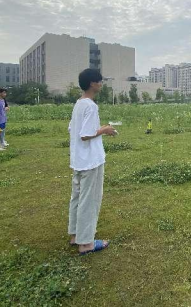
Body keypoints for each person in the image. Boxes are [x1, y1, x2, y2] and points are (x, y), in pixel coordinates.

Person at [68, 69, 117, 256]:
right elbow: (85, 134)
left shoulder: (79, 104)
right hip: (90, 161)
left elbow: (73, 128)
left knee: (78, 197)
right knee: (90, 200)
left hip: (79, 160)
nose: (101, 84)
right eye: (99, 81)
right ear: (92, 83)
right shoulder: (90, 106)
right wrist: (105, 130)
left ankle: (75, 235)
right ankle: (86, 243)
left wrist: (100, 129)